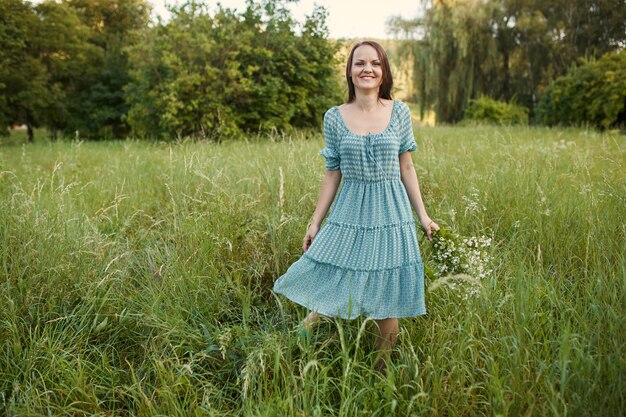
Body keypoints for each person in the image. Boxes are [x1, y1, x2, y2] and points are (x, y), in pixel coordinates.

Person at [272, 40, 439, 372]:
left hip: (392, 215)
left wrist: (423, 216)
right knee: (335, 286)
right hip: (349, 214)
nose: (367, 69)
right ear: (350, 71)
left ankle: (380, 374)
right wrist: (315, 221)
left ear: (383, 72)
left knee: (388, 297)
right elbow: (332, 172)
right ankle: (286, 355)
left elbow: (406, 167)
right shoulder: (335, 118)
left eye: (375, 63)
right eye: (360, 63)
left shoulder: (399, 112)